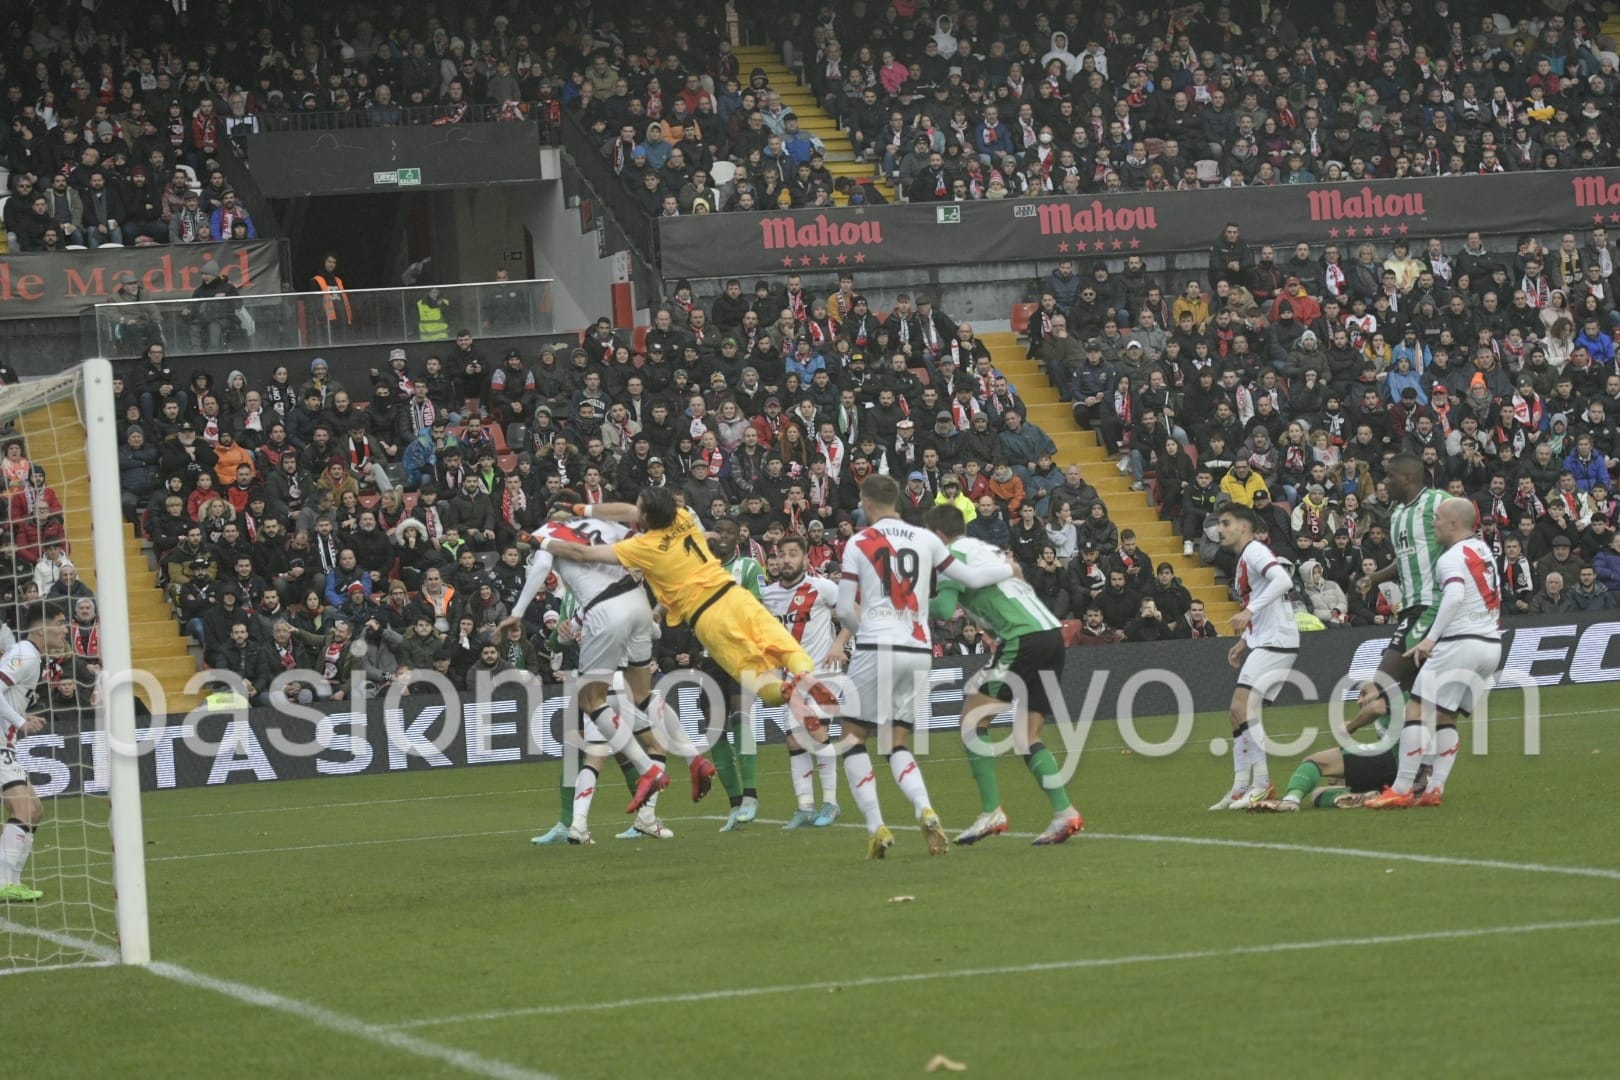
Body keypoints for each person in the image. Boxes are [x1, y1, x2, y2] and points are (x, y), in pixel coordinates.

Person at [504, 503, 712, 846]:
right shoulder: (606, 526)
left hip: (605, 627)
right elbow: (644, 546)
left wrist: (517, 612)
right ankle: (689, 763)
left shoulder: (549, 537)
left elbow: (542, 566)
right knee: (645, 702)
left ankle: (602, 810)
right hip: (636, 608)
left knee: (595, 726)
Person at [538, 487, 835, 719]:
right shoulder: (683, 517)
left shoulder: (642, 547)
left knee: (756, 677)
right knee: (786, 648)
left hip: (707, 617)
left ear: (645, 518)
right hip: (734, 595)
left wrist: (542, 540)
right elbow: (630, 510)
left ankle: (784, 693)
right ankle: (805, 677)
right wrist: (583, 508)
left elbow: (584, 554)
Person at [835, 473, 1014, 859]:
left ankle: (875, 827)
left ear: (867, 503)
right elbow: (969, 577)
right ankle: (924, 808)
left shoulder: (859, 541)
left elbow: (842, 606)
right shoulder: (926, 538)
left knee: (852, 738)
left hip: (876, 645)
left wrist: (863, 630)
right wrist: (1007, 568)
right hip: (918, 648)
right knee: (895, 741)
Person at [926, 504, 1083, 847]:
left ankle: (990, 810)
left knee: (972, 720)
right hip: (1050, 634)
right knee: (1027, 734)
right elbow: (1018, 576)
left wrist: (906, 597)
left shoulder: (948, 559)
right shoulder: (986, 549)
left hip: (1020, 637)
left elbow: (941, 609)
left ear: (937, 536)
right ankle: (1064, 812)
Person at [1363, 498, 1501, 809]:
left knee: (1415, 710)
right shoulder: (1482, 550)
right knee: (1445, 716)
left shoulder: (1450, 558)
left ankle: (1400, 788)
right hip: (1490, 645)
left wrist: (1430, 639)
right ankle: (1434, 788)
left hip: (1461, 642)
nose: (1433, 523)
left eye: (1437, 518)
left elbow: (1453, 596)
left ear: (1454, 523)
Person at [1343, 454, 1449, 747]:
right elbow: (1404, 561)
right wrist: (1373, 578)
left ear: (1407, 478)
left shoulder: (1439, 502)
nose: (1384, 482)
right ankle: (1414, 759)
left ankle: (1392, 747)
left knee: (1383, 682)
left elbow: (1465, 540)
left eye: (1390, 476)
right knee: (1406, 688)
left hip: (1431, 605)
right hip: (1411, 607)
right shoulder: (1398, 515)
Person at [760, 532, 850, 829]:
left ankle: (831, 802)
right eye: (781, 554)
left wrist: (839, 645)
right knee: (794, 739)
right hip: (791, 679)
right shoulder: (769, 595)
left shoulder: (822, 587)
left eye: (792, 554)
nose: (786, 560)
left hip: (824, 674)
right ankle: (805, 806)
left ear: (804, 557)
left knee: (816, 732)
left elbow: (852, 615)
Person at [1212, 505, 1298, 811]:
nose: (1219, 529)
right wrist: (1245, 639)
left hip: (1277, 640)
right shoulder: (1245, 557)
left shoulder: (1254, 551)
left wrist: (1249, 612)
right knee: (1237, 713)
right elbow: (1263, 597)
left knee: (1241, 707)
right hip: (1266, 639)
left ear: (1243, 527)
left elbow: (1282, 581)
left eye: (1225, 523)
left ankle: (1261, 784)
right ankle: (1240, 786)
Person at [0, 608, 67, 902]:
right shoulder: (24, 654)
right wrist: (19, 721)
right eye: (61, 624)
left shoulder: (34, 657)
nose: (65, 630)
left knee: (34, 810)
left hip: (6, 743)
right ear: (42, 630)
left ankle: (12, 881)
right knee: (24, 810)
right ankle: (2, 881)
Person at [309, 253, 354, 344]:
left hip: (342, 318)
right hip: (326, 319)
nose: (331, 264)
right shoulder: (316, 280)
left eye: (334, 262)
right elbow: (315, 301)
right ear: (324, 262)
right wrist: (320, 317)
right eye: (329, 261)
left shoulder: (338, 280)